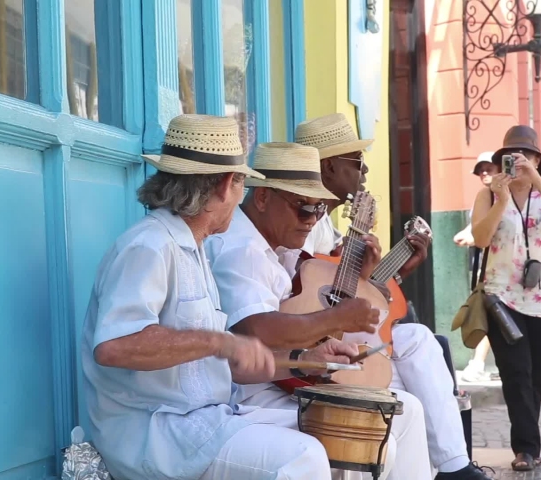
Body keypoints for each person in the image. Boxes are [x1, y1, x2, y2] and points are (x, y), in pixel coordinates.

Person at [81, 114, 361, 480]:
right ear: (226, 185)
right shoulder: (148, 245)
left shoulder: (194, 248)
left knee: (340, 433)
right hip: (155, 433)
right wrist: (220, 341)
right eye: (242, 181)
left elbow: (218, 364)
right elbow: (114, 347)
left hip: (206, 419)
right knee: (301, 457)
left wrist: (304, 359)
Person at [264, 113, 494, 480]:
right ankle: (453, 465)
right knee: (409, 400)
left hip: (336, 335)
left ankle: (456, 466)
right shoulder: (294, 222)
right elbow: (303, 298)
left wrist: (396, 270)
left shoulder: (322, 223)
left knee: (419, 338)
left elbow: (353, 294)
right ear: (329, 167)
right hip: (306, 347)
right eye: (356, 161)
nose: (365, 169)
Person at [206, 141, 434, 480]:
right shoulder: (241, 250)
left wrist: (323, 344)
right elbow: (254, 329)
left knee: (407, 410)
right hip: (251, 396)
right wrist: (334, 320)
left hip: (286, 379)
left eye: (318, 209)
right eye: (303, 208)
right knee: (362, 432)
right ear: (263, 198)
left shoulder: (277, 245)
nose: (312, 220)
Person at [471, 125, 541, 471]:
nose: (519, 162)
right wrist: (500, 200)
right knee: (515, 373)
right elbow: (481, 239)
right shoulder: (488, 195)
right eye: (511, 158)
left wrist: (540, 183)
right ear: (500, 163)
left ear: (537, 160)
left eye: (526, 156)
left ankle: (528, 443)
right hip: (502, 298)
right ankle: (525, 449)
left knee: (536, 377)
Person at [456, 152, 498, 383]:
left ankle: (478, 363)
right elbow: (475, 228)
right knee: (485, 316)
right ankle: (479, 363)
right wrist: (466, 234)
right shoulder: (483, 198)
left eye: (489, 168)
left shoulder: (503, 198)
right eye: (481, 169)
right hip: (485, 267)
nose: (484, 172)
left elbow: (490, 234)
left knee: (489, 317)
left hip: (498, 267)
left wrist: (473, 238)